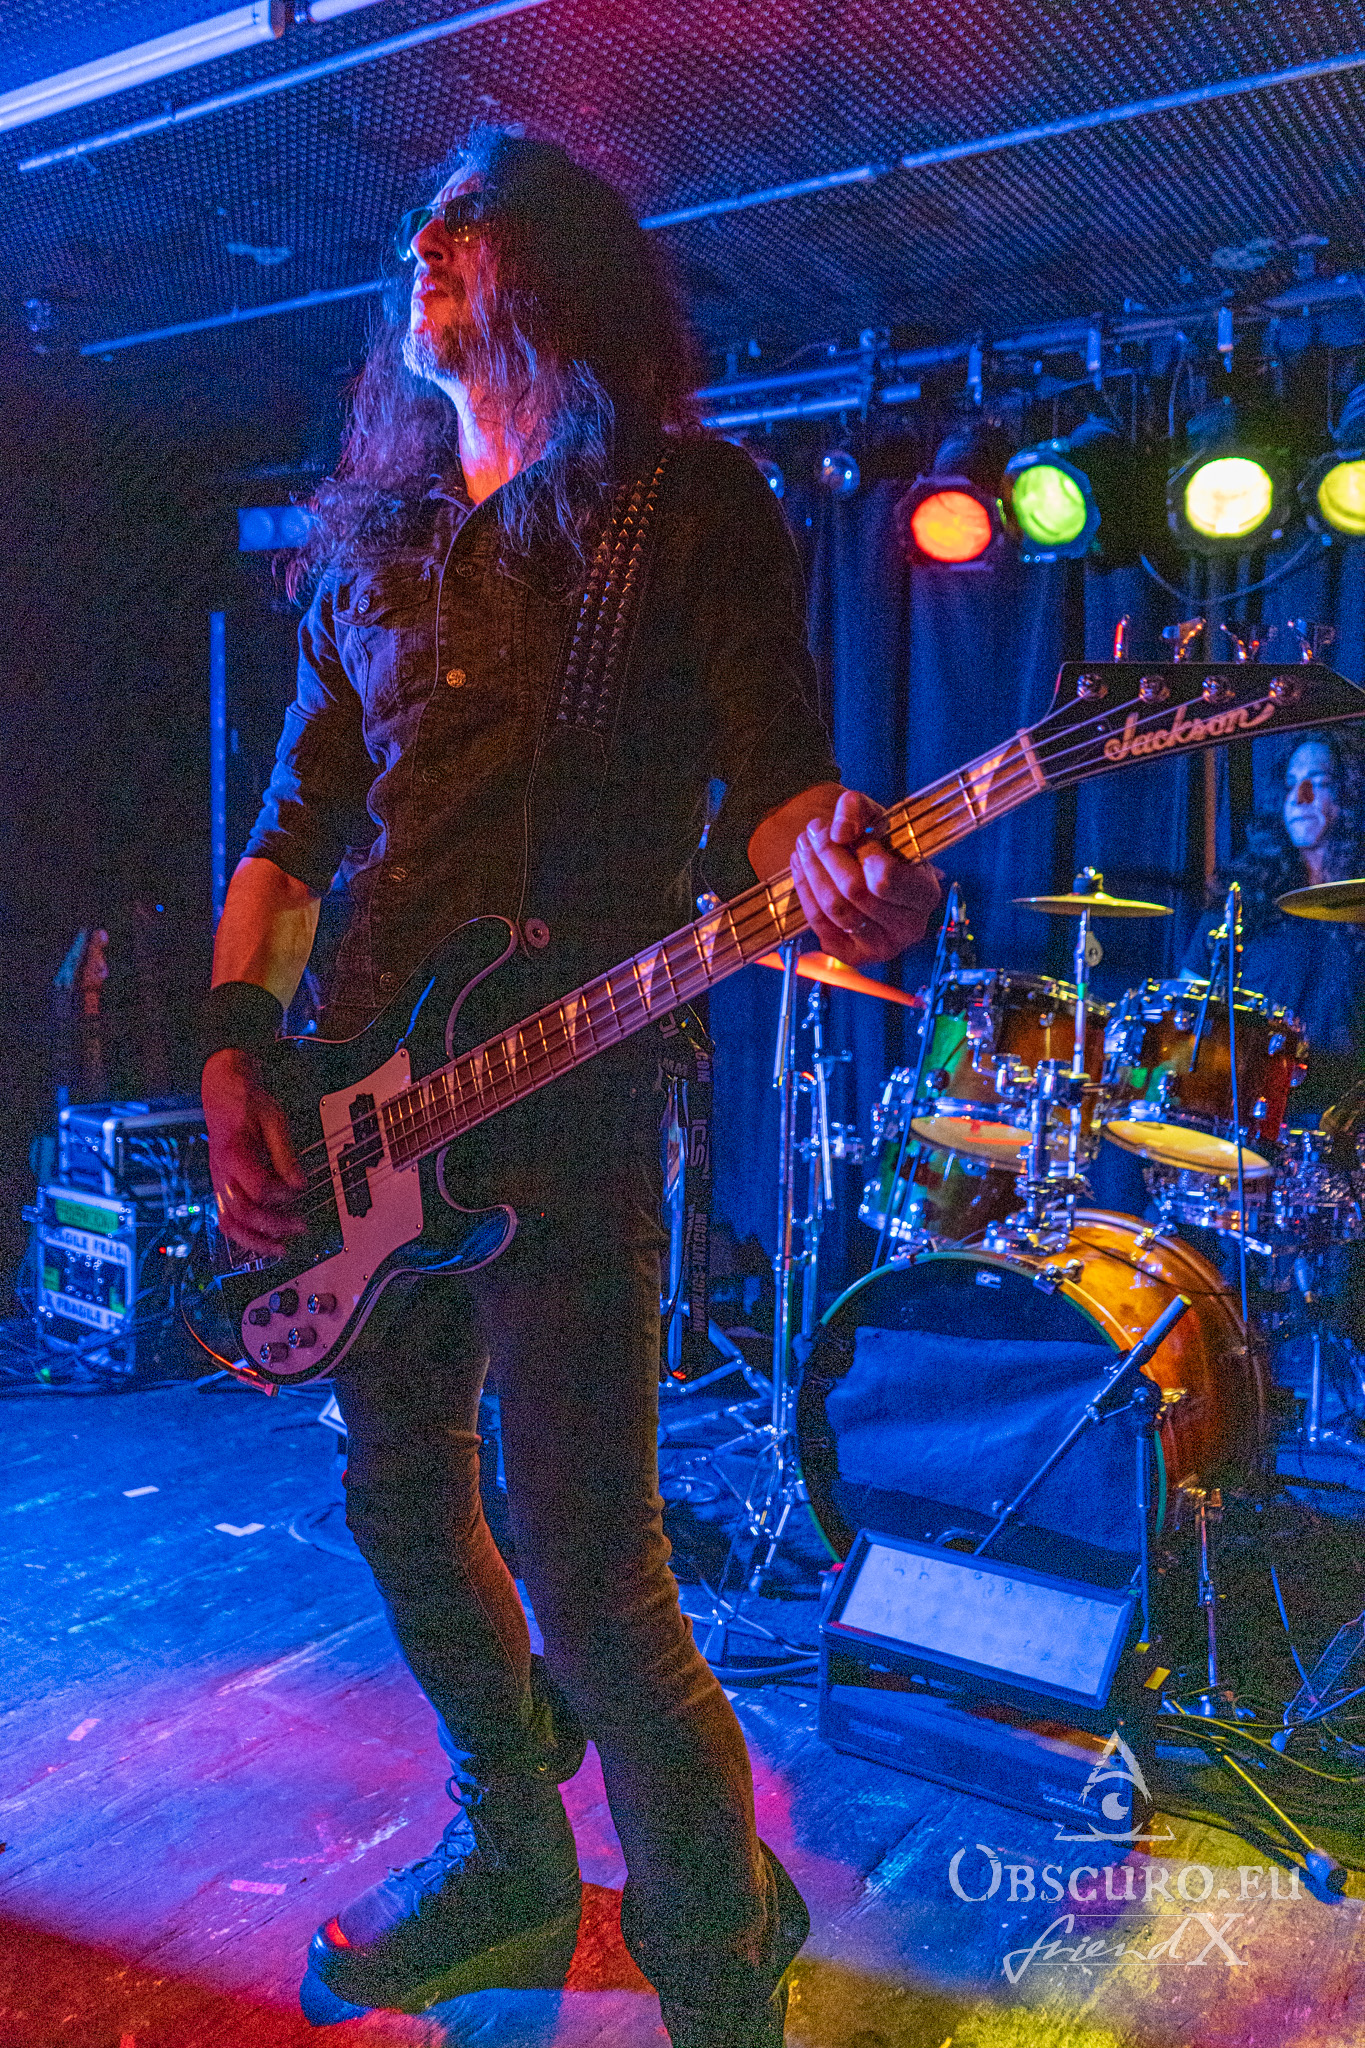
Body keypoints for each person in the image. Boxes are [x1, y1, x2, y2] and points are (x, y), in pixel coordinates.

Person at [200, 131, 939, 2047]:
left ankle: (717, 1955)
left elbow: (778, 779)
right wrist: (233, 1049)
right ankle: (515, 1853)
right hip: (364, 1108)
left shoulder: (684, 506)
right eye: (421, 225)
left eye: (473, 221)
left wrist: (835, 856)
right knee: (396, 1498)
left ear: (566, 272)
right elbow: (289, 836)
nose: (426, 242)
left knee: (595, 1575)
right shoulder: (375, 541)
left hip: (574, 1106)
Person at [1181, 730, 1365, 1119]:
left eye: (1319, 782)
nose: (1299, 798)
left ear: (1352, 794)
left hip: (1346, 1124)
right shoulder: (1244, 896)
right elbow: (1186, 1004)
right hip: (1251, 1116)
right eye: (1291, 784)